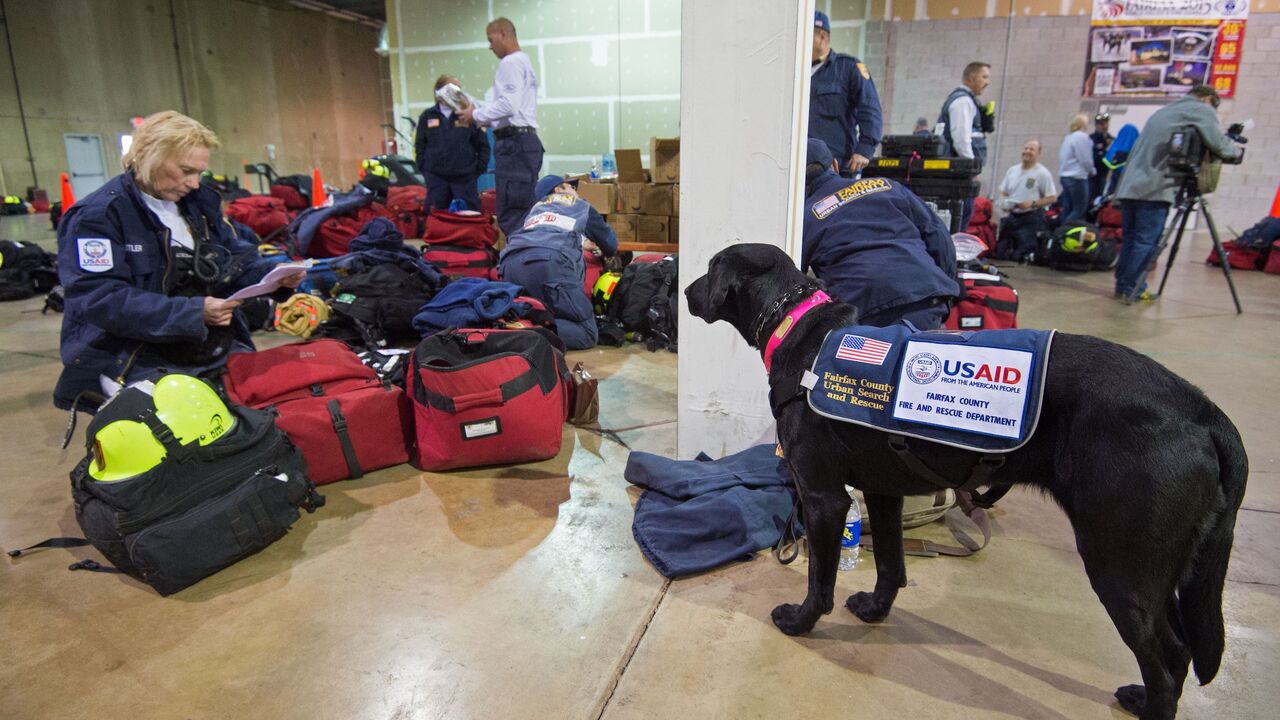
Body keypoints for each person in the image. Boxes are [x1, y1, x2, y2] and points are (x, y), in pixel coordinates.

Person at [53, 111, 301, 412]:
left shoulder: (197, 207)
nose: (194, 183)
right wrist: (192, 312)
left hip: (207, 344)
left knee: (280, 397)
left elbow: (233, 259)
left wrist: (273, 277)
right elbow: (99, 298)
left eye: (199, 173)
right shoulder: (97, 217)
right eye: (185, 170)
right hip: (132, 355)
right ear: (146, 155)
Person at [802, 139, 958, 330]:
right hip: (925, 297)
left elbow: (792, 279)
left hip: (865, 313)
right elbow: (938, 237)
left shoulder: (804, 217)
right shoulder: (886, 185)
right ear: (834, 165)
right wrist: (945, 286)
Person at [1113, 85, 1241, 304]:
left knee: (1131, 239)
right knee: (1146, 241)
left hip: (1130, 187)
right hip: (1154, 188)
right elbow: (1218, 144)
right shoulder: (1201, 109)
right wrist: (1235, 148)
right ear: (1208, 98)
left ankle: (1123, 285)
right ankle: (1133, 288)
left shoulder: (1166, 110)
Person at [498, 175, 617, 349]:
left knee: (537, 311)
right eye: (571, 187)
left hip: (509, 264)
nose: (574, 191)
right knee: (587, 333)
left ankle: (510, 327)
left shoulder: (535, 210)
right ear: (558, 190)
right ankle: (525, 333)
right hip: (549, 262)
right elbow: (610, 243)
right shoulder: (579, 205)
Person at [457, 17, 542, 238]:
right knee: (523, 211)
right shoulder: (524, 61)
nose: (489, 46)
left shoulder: (510, 63)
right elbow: (512, 107)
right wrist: (480, 114)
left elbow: (508, 106)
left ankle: (519, 267)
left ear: (503, 34)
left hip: (514, 146)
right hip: (524, 144)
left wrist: (474, 114)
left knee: (512, 215)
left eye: (490, 39)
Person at [808, 10, 883, 176]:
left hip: (836, 166)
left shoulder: (848, 68)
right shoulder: (796, 73)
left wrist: (865, 148)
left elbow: (870, 109)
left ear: (822, 37)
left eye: (806, 34)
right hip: (800, 165)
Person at [414, 75, 490, 212]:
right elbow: (420, 144)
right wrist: (424, 168)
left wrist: (477, 170)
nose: (456, 92)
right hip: (436, 178)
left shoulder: (468, 116)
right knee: (436, 217)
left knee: (469, 215)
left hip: (465, 178)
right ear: (439, 91)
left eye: (458, 89)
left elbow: (483, 145)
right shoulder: (428, 116)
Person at [937, 61, 993, 231]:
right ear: (971, 77)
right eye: (984, 77)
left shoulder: (966, 100)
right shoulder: (962, 101)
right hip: (958, 174)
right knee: (960, 215)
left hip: (958, 173)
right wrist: (970, 169)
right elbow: (961, 138)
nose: (987, 82)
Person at [995, 139, 1058, 262]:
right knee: (1000, 254)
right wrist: (1004, 202)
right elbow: (1003, 190)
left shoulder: (1042, 173)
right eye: (1026, 148)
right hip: (1012, 216)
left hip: (1031, 217)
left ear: (1038, 153)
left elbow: (1052, 197)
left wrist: (1032, 203)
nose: (1027, 151)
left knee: (1020, 256)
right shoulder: (1013, 170)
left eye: (1032, 149)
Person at [1058, 114, 1095, 223]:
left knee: (1067, 208)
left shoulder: (1068, 137)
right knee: (1079, 209)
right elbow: (1085, 158)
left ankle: (1060, 233)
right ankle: (1066, 230)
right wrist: (1092, 170)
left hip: (1065, 176)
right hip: (1077, 177)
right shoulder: (1081, 137)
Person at [1089, 112, 1114, 207]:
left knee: (1099, 199)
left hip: (1104, 174)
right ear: (1096, 125)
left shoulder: (1111, 139)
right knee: (1089, 199)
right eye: (1101, 124)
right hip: (1092, 175)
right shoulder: (1091, 139)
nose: (1104, 126)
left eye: (1106, 123)